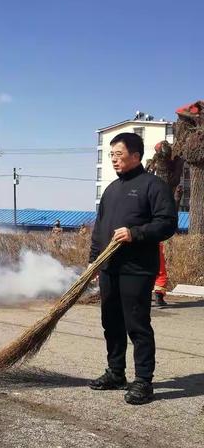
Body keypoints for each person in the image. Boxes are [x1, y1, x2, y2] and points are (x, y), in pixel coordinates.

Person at [88, 133, 177, 405]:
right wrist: (93, 261)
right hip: (109, 267)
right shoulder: (111, 190)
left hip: (136, 269)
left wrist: (135, 233)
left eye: (118, 154)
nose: (114, 159)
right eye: (111, 154)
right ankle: (116, 373)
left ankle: (143, 381)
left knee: (137, 325)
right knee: (110, 322)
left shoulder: (153, 186)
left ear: (135, 156)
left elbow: (167, 223)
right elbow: (99, 228)